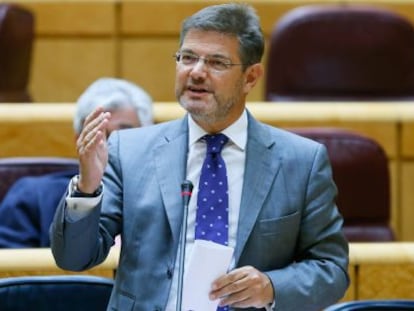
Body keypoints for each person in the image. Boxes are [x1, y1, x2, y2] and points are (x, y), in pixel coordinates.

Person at [50, 3, 349, 311]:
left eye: (217, 62)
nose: (195, 72)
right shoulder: (130, 151)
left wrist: (271, 287)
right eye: (187, 57)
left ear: (251, 77)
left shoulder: (301, 161)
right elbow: (74, 258)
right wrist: (87, 188)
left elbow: (332, 268)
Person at [0, 77, 153, 248]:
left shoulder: (170, 196)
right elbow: (12, 271)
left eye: (124, 137)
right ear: (78, 141)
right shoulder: (33, 197)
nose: (109, 148)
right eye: (98, 136)